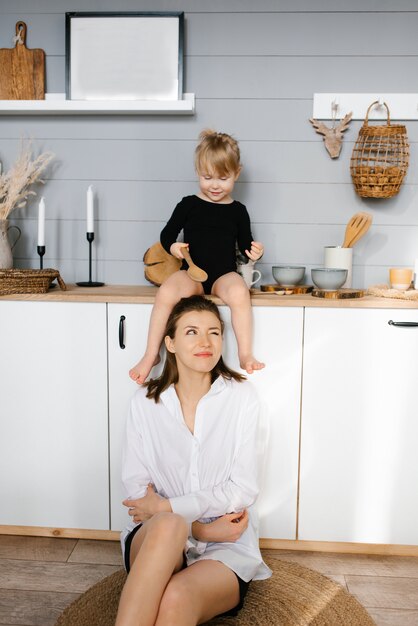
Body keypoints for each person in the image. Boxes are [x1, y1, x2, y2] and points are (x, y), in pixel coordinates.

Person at [116, 295, 271, 626]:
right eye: (191, 332)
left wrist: (169, 507)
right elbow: (139, 495)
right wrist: (199, 528)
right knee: (168, 524)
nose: (205, 342)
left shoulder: (242, 397)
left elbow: (242, 488)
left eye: (214, 333)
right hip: (157, 536)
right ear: (169, 343)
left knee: (175, 598)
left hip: (227, 544)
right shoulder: (144, 403)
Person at [129, 129, 265, 385]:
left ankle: (245, 352)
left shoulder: (238, 211)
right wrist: (173, 248)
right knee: (167, 291)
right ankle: (150, 355)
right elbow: (167, 234)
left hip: (222, 275)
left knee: (239, 292)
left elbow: (246, 245)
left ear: (237, 173)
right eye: (207, 177)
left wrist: (255, 251)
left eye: (223, 178)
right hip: (192, 273)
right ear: (197, 172)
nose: (214, 185)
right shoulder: (188, 204)